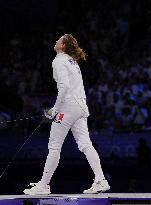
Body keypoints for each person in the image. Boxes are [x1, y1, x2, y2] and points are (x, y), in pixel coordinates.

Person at [24, 34, 110, 195]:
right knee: (85, 144)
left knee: (54, 145)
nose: (55, 41)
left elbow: (64, 87)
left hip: (68, 107)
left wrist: (55, 109)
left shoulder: (59, 60)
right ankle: (100, 180)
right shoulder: (72, 61)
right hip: (81, 106)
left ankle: (43, 185)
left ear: (62, 45)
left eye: (58, 40)